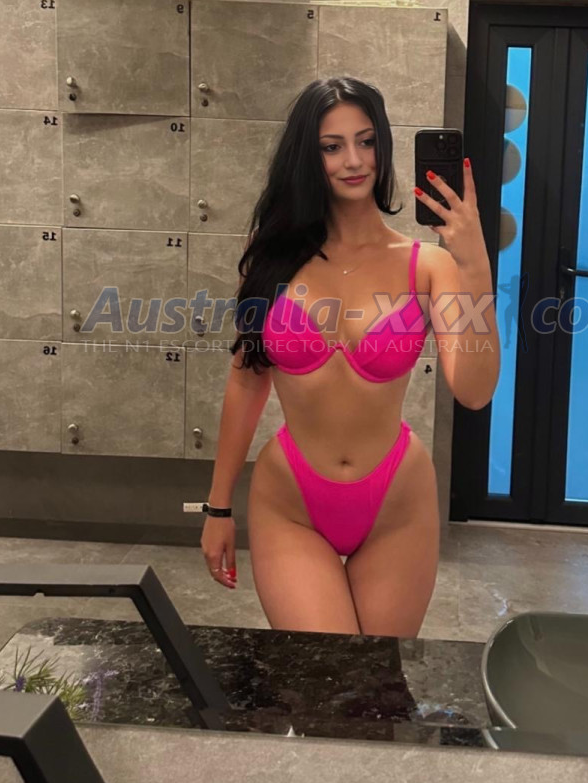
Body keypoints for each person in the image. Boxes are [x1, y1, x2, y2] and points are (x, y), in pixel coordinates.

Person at [200, 76, 499, 638]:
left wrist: (475, 262)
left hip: (397, 502)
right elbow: (246, 381)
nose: (354, 161)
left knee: (377, 681)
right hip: (291, 500)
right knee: (322, 676)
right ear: (307, 157)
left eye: (366, 141)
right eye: (332, 146)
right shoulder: (271, 261)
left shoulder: (428, 266)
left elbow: (475, 390)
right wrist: (217, 508)